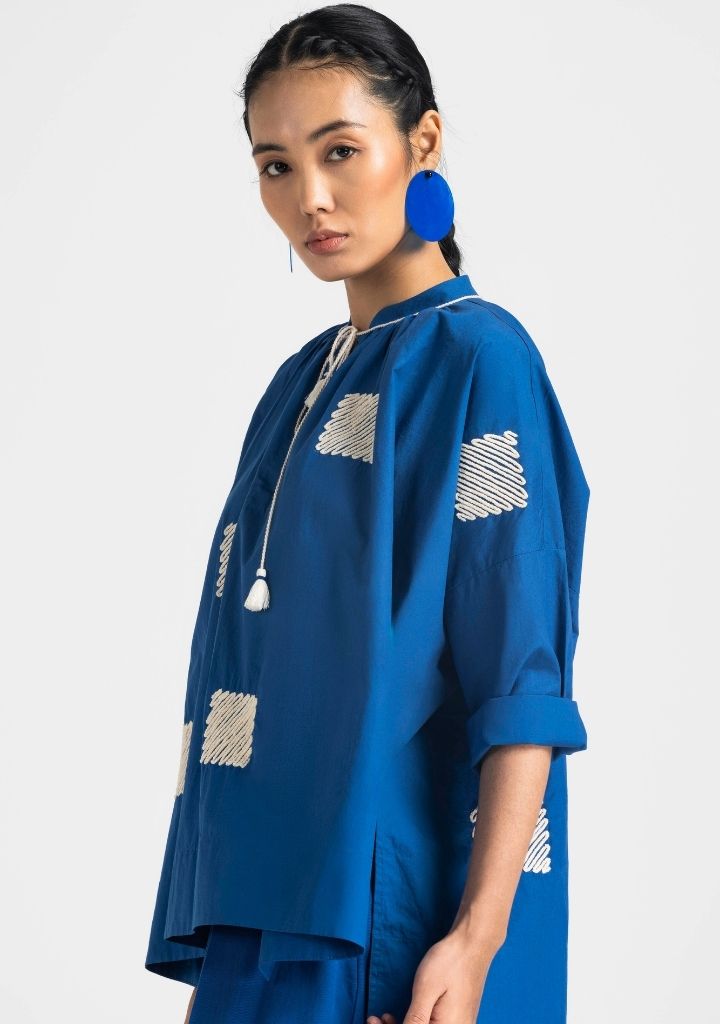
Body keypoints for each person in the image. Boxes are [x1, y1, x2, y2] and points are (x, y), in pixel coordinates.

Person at [144, 5, 591, 1023]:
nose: (310, 197)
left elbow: (521, 679)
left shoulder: (480, 360)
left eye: (339, 150)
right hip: (260, 906)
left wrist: (475, 941)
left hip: (386, 915)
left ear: (422, 142)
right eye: (276, 166)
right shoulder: (299, 383)